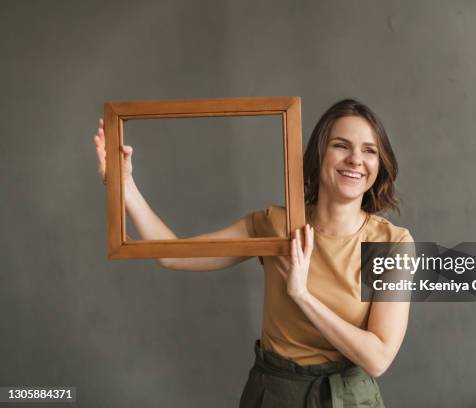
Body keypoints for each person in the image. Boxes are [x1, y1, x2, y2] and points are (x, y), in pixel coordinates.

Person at [93, 99, 413, 407]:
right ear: (319, 154)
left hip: (350, 400)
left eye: (369, 150)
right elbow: (171, 253)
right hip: (274, 395)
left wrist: (302, 296)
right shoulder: (273, 224)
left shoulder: (394, 244)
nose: (356, 159)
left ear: (379, 164)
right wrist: (125, 186)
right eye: (341, 145)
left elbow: (378, 359)